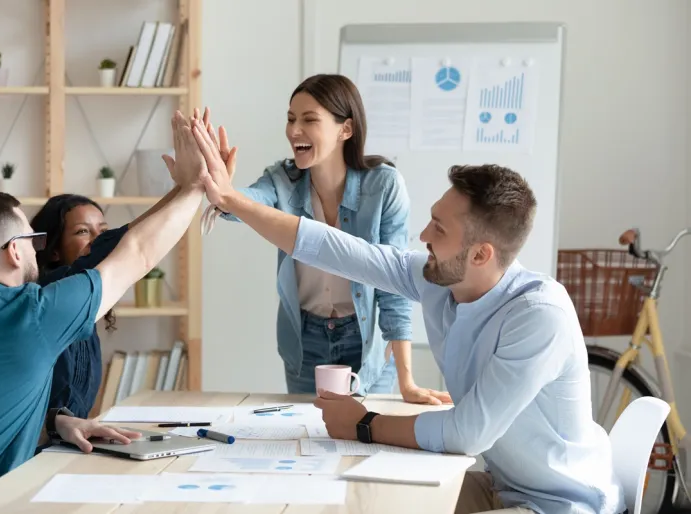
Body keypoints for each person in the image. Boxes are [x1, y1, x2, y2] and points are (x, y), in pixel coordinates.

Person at [190, 118, 625, 514]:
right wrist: (231, 200)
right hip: (502, 486)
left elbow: (467, 433)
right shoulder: (440, 279)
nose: (422, 236)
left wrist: (364, 424)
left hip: (560, 504)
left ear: (480, 253)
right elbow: (335, 249)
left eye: (439, 228)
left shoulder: (538, 316)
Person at [0, 110, 208, 513]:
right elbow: (137, 253)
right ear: (15, 250)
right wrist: (196, 186)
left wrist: (53, 422)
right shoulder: (32, 316)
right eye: (33, 238)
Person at [201, 75, 449, 404]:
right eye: (290, 119)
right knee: (308, 438)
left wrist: (408, 381)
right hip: (305, 340)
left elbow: (395, 283)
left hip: (365, 343)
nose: (293, 131)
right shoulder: (282, 180)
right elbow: (248, 203)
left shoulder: (383, 186)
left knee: (366, 442)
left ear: (345, 129)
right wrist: (225, 193)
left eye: (308, 120)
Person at [31, 192, 178, 419]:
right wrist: (187, 188)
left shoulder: (89, 305)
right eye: (83, 231)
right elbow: (126, 242)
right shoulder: (54, 290)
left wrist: (186, 187)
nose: (97, 240)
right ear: (54, 251)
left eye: (103, 231)